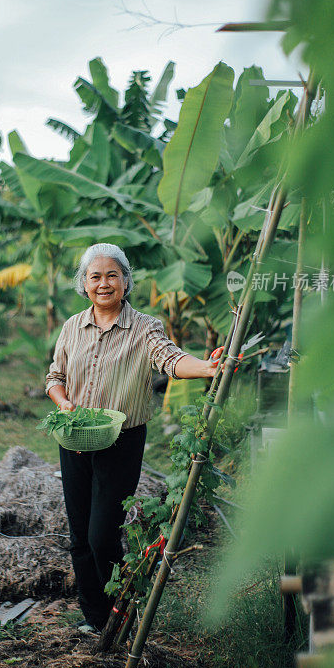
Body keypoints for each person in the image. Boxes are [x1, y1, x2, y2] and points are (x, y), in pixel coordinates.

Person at [45, 243, 215, 633]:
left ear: (125, 281)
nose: (103, 283)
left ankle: (119, 610)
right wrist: (64, 401)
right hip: (74, 439)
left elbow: (169, 358)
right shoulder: (72, 326)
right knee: (79, 538)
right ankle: (97, 619)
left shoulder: (144, 327)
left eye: (112, 275)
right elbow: (54, 377)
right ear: (83, 284)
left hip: (120, 442)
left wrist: (205, 366)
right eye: (95, 276)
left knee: (102, 536)